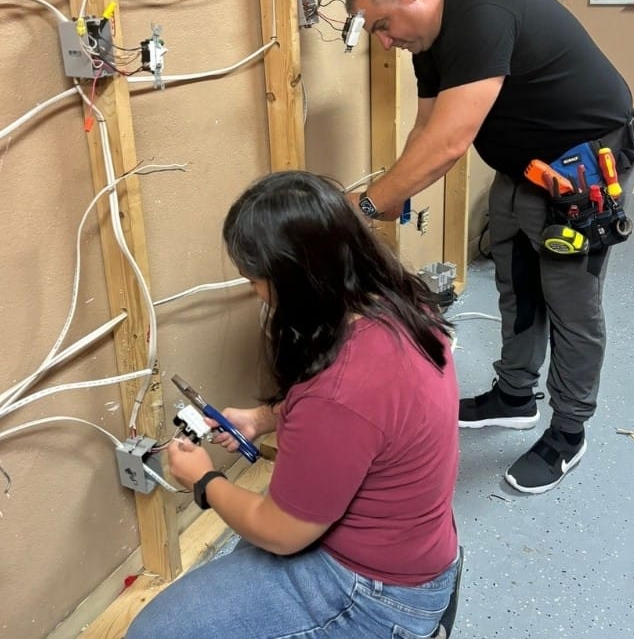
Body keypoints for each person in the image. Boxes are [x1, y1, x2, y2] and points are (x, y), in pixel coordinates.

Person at [345, 0, 634, 494]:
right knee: (517, 283)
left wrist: (367, 206)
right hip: (524, 167)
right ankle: (514, 396)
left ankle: (569, 431)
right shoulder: (429, 40)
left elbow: (450, 143)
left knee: (570, 301)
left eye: (383, 25)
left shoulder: (483, 15)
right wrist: (387, 193)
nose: (385, 41)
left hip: (583, 165)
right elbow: (426, 131)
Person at [126, 170, 461, 639]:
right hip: (418, 551)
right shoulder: (401, 307)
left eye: (257, 280)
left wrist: (204, 480)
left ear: (298, 278)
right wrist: (263, 418)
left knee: (152, 633)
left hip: (378, 594)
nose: (254, 292)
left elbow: (282, 532)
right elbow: (366, 421)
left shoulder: (341, 390)